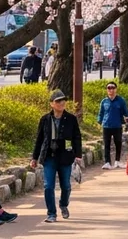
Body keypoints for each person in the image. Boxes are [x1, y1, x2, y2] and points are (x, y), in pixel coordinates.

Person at [32, 89, 82, 223]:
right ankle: (51, 213)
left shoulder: (71, 118)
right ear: (52, 104)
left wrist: (78, 154)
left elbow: (77, 137)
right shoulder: (45, 119)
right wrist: (34, 157)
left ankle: (63, 204)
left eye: (63, 100)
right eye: (58, 101)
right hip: (49, 156)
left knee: (66, 185)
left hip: (65, 156)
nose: (61, 103)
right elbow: (39, 139)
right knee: (48, 186)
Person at [97, 81, 128, 169]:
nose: (111, 90)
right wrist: (99, 122)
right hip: (106, 126)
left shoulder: (120, 100)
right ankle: (107, 162)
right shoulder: (104, 101)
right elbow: (101, 113)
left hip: (117, 126)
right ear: (106, 90)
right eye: (109, 88)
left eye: (112, 88)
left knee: (118, 143)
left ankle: (117, 161)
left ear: (116, 89)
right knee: (106, 144)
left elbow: (125, 111)